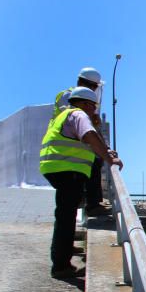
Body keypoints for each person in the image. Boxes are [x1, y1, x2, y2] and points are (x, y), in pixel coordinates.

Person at [40, 86, 123, 279]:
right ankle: (61, 266)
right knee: (66, 217)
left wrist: (105, 151)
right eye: (93, 107)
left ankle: (60, 262)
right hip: (67, 170)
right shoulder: (79, 115)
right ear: (86, 104)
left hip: (55, 168)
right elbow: (89, 136)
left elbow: (87, 142)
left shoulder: (63, 115)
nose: (94, 111)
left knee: (64, 215)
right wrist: (111, 160)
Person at [54, 68, 110, 216]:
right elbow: (76, 120)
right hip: (67, 144)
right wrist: (108, 156)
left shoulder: (86, 99)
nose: (94, 89)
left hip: (76, 143)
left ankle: (91, 201)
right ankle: (91, 204)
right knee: (93, 163)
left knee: (94, 162)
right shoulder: (68, 96)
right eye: (92, 86)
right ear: (81, 82)